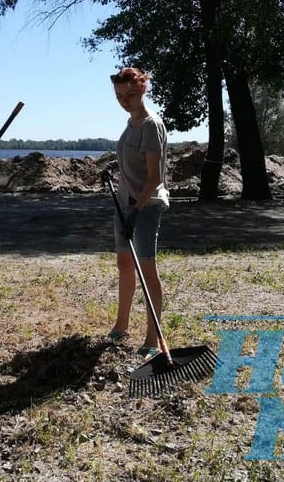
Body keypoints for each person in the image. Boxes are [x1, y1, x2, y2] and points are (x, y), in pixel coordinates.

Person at [105, 67, 170, 359]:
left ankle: (152, 337)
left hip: (146, 204)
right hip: (124, 202)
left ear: (143, 89)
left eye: (130, 94)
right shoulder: (130, 124)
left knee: (147, 268)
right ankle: (122, 323)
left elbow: (154, 177)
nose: (124, 100)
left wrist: (136, 208)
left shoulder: (150, 124)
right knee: (124, 264)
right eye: (119, 96)